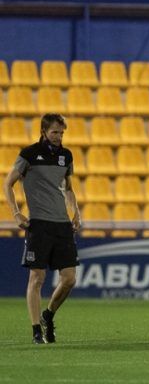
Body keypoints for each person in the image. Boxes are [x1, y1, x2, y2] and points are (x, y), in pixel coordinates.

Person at [3, 113, 81, 344]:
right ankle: (36, 329)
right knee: (36, 278)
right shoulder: (28, 154)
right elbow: (8, 184)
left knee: (69, 279)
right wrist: (16, 213)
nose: (58, 136)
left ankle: (49, 314)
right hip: (38, 224)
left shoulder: (66, 156)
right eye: (55, 132)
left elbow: (68, 188)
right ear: (44, 131)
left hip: (62, 224)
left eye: (61, 132)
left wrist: (76, 211)